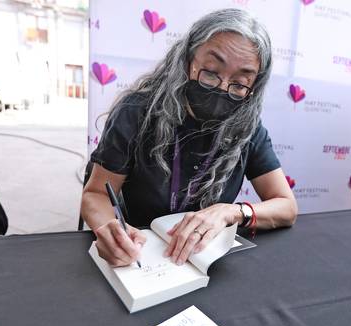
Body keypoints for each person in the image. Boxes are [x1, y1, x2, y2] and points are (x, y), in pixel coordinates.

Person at [81, 8, 298, 267]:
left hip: (205, 258)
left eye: (239, 83)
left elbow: (286, 206)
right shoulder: (137, 112)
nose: (222, 87)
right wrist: (110, 229)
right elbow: (95, 194)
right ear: (187, 60)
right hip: (140, 253)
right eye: (211, 72)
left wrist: (232, 211)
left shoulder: (246, 127)